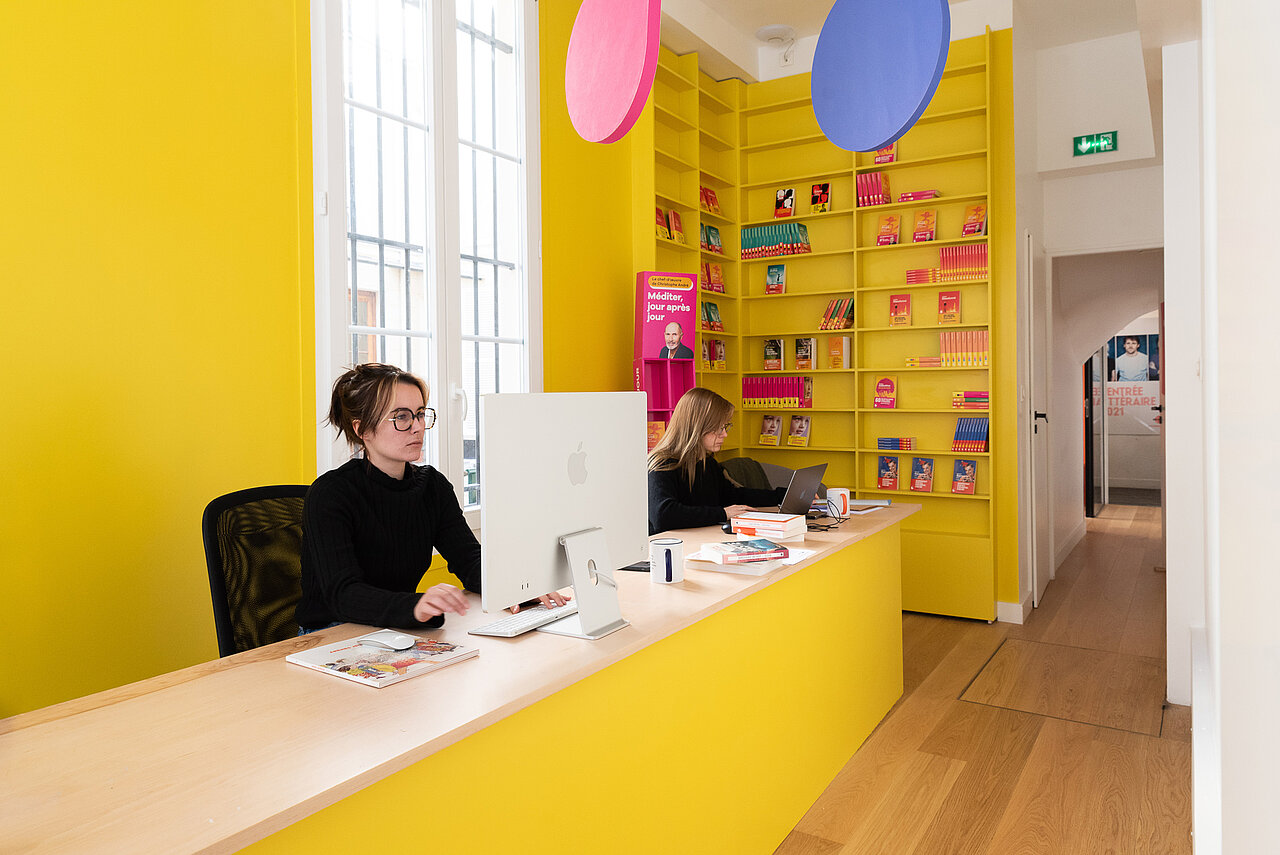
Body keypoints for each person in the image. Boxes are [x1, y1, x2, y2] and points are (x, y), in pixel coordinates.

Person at [296, 363, 566, 633]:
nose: (418, 427)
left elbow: (468, 559)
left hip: (392, 629)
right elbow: (343, 594)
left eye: (420, 414)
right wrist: (415, 606)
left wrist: (514, 588)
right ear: (362, 429)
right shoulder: (330, 494)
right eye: (402, 417)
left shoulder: (432, 487)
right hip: (331, 633)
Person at [647, 387, 786, 534]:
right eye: (719, 428)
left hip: (700, 539)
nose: (724, 434)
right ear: (698, 427)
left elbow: (733, 496)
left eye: (725, 427)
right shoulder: (661, 464)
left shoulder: (707, 463)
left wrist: (783, 495)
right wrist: (723, 513)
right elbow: (664, 515)